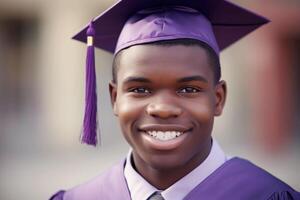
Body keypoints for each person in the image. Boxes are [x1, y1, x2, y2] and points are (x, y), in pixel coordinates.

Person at [50, 0, 300, 199]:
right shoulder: (81, 198)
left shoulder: (264, 195)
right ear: (115, 98)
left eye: (188, 90)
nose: (163, 108)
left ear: (218, 99)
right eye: (140, 89)